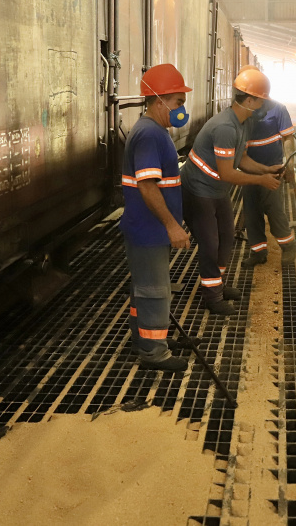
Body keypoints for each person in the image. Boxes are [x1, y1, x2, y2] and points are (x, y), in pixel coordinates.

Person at [181, 68, 282, 315]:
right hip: (198, 190)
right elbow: (228, 173)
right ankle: (212, 297)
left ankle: (217, 284)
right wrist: (261, 181)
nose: (264, 106)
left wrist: (266, 169)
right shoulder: (225, 127)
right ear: (249, 100)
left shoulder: (243, 123)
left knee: (226, 238)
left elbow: (242, 158)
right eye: (261, 100)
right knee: (210, 243)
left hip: (216, 189)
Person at [120, 63, 192, 372]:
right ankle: (153, 353)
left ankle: (146, 339)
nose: (181, 110)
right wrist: (172, 226)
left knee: (144, 288)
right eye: (178, 103)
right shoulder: (150, 134)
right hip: (149, 230)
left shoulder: (152, 130)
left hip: (147, 229)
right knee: (154, 291)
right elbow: (147, 187)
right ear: (159, 100)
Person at [240, 67, 296, 267]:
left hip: (272, 169)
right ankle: (258, 252)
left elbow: (287, 139)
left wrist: (289, 166)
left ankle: (289, 249)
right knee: (251, 211)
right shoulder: (243, 110)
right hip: (249, 170)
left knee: (274, 210)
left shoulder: (278, 109)